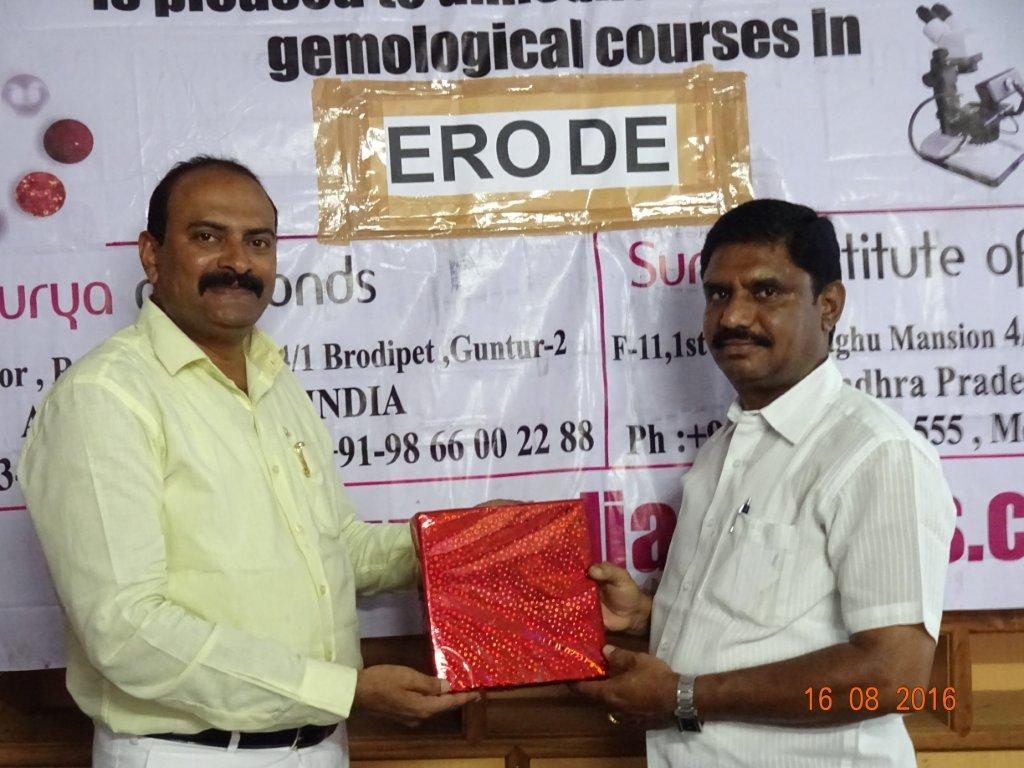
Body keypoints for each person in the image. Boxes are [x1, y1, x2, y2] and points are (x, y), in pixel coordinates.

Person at [18, 156, 476, 768]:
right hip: (188, 755)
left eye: (258, 242)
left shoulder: (273, 380)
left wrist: (464, 543)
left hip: (321, 747)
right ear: (152, 255)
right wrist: (342, 691)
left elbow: (335, 547)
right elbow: (126, 630)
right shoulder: (105, 397)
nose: (238, 262)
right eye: (208, 236)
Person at [575, 199, 956, 767]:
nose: (733, 316)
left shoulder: (874, 452)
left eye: (765, 291)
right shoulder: (724, 449)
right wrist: (647, 615)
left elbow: (893, 676)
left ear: (829, 305)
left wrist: (683, 697)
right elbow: (763, 625)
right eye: (718, 294)